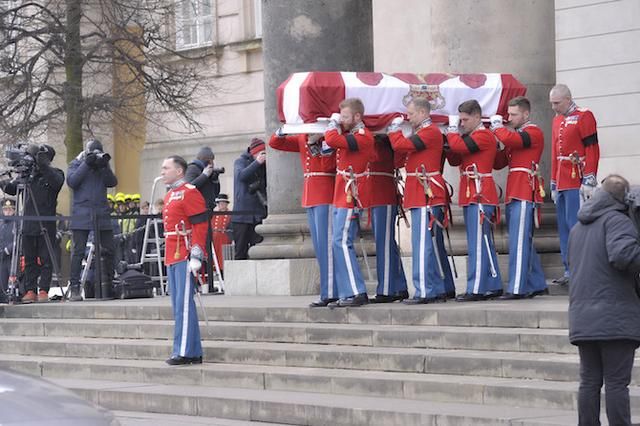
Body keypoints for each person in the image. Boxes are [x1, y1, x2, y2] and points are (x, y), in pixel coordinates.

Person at [567, 175, 640, 425]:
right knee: (617, 383)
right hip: (614, 317)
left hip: (583, 316)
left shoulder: (577, 228)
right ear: (623, 198)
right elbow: (624, 256)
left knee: (589, 381)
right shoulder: (617, 221)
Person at [388, 98, 455, 304]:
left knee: (423, 244)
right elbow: (401, 155)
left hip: (427, 193)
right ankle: (435, 288)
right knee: (427, 243)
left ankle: (425, 290)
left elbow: (402, 144)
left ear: (424, 113)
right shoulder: (421, 132)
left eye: (412, 113)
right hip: (419, 193)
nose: (409, 117)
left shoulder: (430, 132)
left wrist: (393, 130)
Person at [269, 129, 338, 307]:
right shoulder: (302, 137)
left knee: (327, 245)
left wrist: (316, 144)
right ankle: (327, 291)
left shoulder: (328, 138)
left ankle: (331, 291)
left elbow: (328, 166)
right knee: (319, 247)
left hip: (325, 193)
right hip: (310, 195)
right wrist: (283, 130)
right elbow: (275, 143)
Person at [491, 96, 548, 299]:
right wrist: (491, 140)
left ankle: (518, 288)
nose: (510, 118)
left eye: (514, 114)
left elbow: (512, 140)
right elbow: (498, 162)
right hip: (515, 191)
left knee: (519, 241)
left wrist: (498, 128)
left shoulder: (533, 132)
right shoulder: (515, 135)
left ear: (526, 114)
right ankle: (537, 283)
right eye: (509, 114)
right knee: (523, 240)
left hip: (525, 190)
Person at [446, 99, 503, 301]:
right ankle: (493, 283)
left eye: (464, 119)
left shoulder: (484, 135)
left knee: (478, 242)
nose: (462, 123)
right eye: (459, 120)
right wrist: (448, 142)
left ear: (478, 117)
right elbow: (455, 158)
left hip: (480, 192)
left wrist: (452, 131)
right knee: (482, 240)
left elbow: (461, 148)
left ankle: (477, 288)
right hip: (471, 192)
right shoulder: (469, 137)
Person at [324, 98, 375, 308]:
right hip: (341, 195)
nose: (342, 121)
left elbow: (332, 140)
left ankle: (356, 291)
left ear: (357, 117)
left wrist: (332, 125)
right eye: (341, 116)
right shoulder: (351, 135)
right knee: (339, 243)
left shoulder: (362, 136)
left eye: (345, 117)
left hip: (350, 195)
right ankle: (348, 291)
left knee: (342, 242)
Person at [549, 84, 600, 285]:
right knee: (563, 227)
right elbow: (554, 153)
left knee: (575, 225)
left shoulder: (584, 116)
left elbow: (592, 148)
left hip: (576, 177)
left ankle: (583, 269)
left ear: (568, 99)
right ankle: (569, 268)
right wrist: (553, 182)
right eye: (552, 103)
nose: (554, 107)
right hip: (562, 180)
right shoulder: (556, 120)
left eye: (557, 103)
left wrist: (589, 178)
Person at [160, 155, 208, 365]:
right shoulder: (171, 194)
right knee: (178, 304)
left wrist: (196, 253)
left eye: (166, 168)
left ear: (179, 171)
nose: (162, 172)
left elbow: (200, 224)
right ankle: (192, 350)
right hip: (172, 253)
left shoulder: (189, 192)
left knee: (183, 305)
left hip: (184, 252)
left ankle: (184, 351)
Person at [2, 144, 64, 303]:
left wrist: (43, 165)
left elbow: (57, 183)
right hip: (28, 224)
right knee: (29, 259)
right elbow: (11, 188)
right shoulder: (28, 175)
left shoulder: (55, 173)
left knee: (45, 259)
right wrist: (2, 180)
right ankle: (30, 290)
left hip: (45, 223)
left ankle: (44, 289)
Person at [67, 138, 118, 301]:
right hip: (82, 213)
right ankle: (74, 287)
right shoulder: (76, 163)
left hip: (101, 212)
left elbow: (112, 182)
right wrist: (86, 164)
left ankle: (108, 284)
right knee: (78, 251)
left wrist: (103, 166)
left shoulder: (102, 165)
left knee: (109, 249)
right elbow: (72, 181)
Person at [366, 133, 409, 303]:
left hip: (383, 195)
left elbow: (395, 160)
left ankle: (387, 289)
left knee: (385, 244)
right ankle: (398, 286)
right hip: (372, 196)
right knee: (386, 243)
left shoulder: (384, 143)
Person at [186, 147, 222, 290]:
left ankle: (208, 283)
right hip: (198, 213)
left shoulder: (204, 171)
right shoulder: (193, 169)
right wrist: (205, 175)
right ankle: (197, 281)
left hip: (207, 211)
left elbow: (215, 192)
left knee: (207, 245)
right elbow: (190, 186)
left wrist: (215, 179)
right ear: (207, 160)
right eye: (211, 161)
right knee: (200, 246)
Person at [232, 138, 267, 260]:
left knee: (259, 251)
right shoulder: (240, 162)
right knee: (240, 251)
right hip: (242, 215)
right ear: (255, 153)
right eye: (262, 152)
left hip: (258, 214)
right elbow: (242, 176)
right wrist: (257, 163)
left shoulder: (264, 166)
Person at [211, 194, 232, 281]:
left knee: (223, 256)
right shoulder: (214, 215)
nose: (221, 205)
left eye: (223, 203)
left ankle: (224, 273)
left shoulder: (230, 214)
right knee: (215, 256)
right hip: (216, 238)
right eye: (220, 203)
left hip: (225, 238)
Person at [0, 200, 16, 303]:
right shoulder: (1, 224)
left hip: (12, 257)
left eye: (10, 209)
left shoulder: (17, 223)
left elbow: (18, 240)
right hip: (1, 258)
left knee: (12, 282)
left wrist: (7, 250)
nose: (7, 212)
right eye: (5, 210)